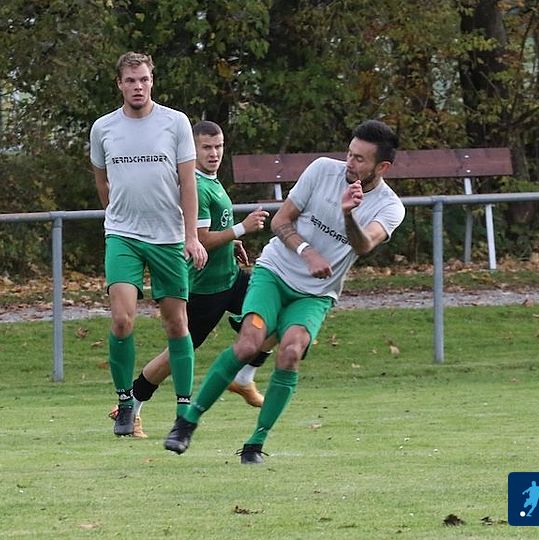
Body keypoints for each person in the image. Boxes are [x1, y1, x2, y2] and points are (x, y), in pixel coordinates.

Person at [164, 119, 405, 464]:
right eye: (349, 154)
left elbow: (364, 246)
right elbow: (280, 221)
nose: (349, 163)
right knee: (249, 344)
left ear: (382, 167)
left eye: (360, 159)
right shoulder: (322, 170)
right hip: (274, 273)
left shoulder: (390, 206)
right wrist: (307, 252)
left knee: (290, 352)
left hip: (316, 294)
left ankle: (255, 443)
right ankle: (187, 422)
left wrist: (348, 215)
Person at [107, 120, 274, 438]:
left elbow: (213, 232)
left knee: (277, 312)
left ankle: (244, 377)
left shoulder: (211, 180)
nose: (214, 153)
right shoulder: (194, 186)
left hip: (230, 278)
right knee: (176, 355)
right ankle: (131, 407)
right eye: (206, 147)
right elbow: (199, 239)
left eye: (219, 146)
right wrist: (242, 228)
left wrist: (231, 242)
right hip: (205, 289)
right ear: (192, 150)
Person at [90, 51, 208, 436]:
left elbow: (188, 182)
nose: (137, 87)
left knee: (176, 323)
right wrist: (117, 217)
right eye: (130, 81)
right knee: (122, 320)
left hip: (168, 238)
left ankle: (184, 409)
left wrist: (191, 236)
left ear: (152, 81)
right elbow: (102, 181)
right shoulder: (103, 128)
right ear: (119, 84)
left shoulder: (175, 123)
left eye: (143, 79)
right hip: (122, 236)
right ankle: (126, 404)